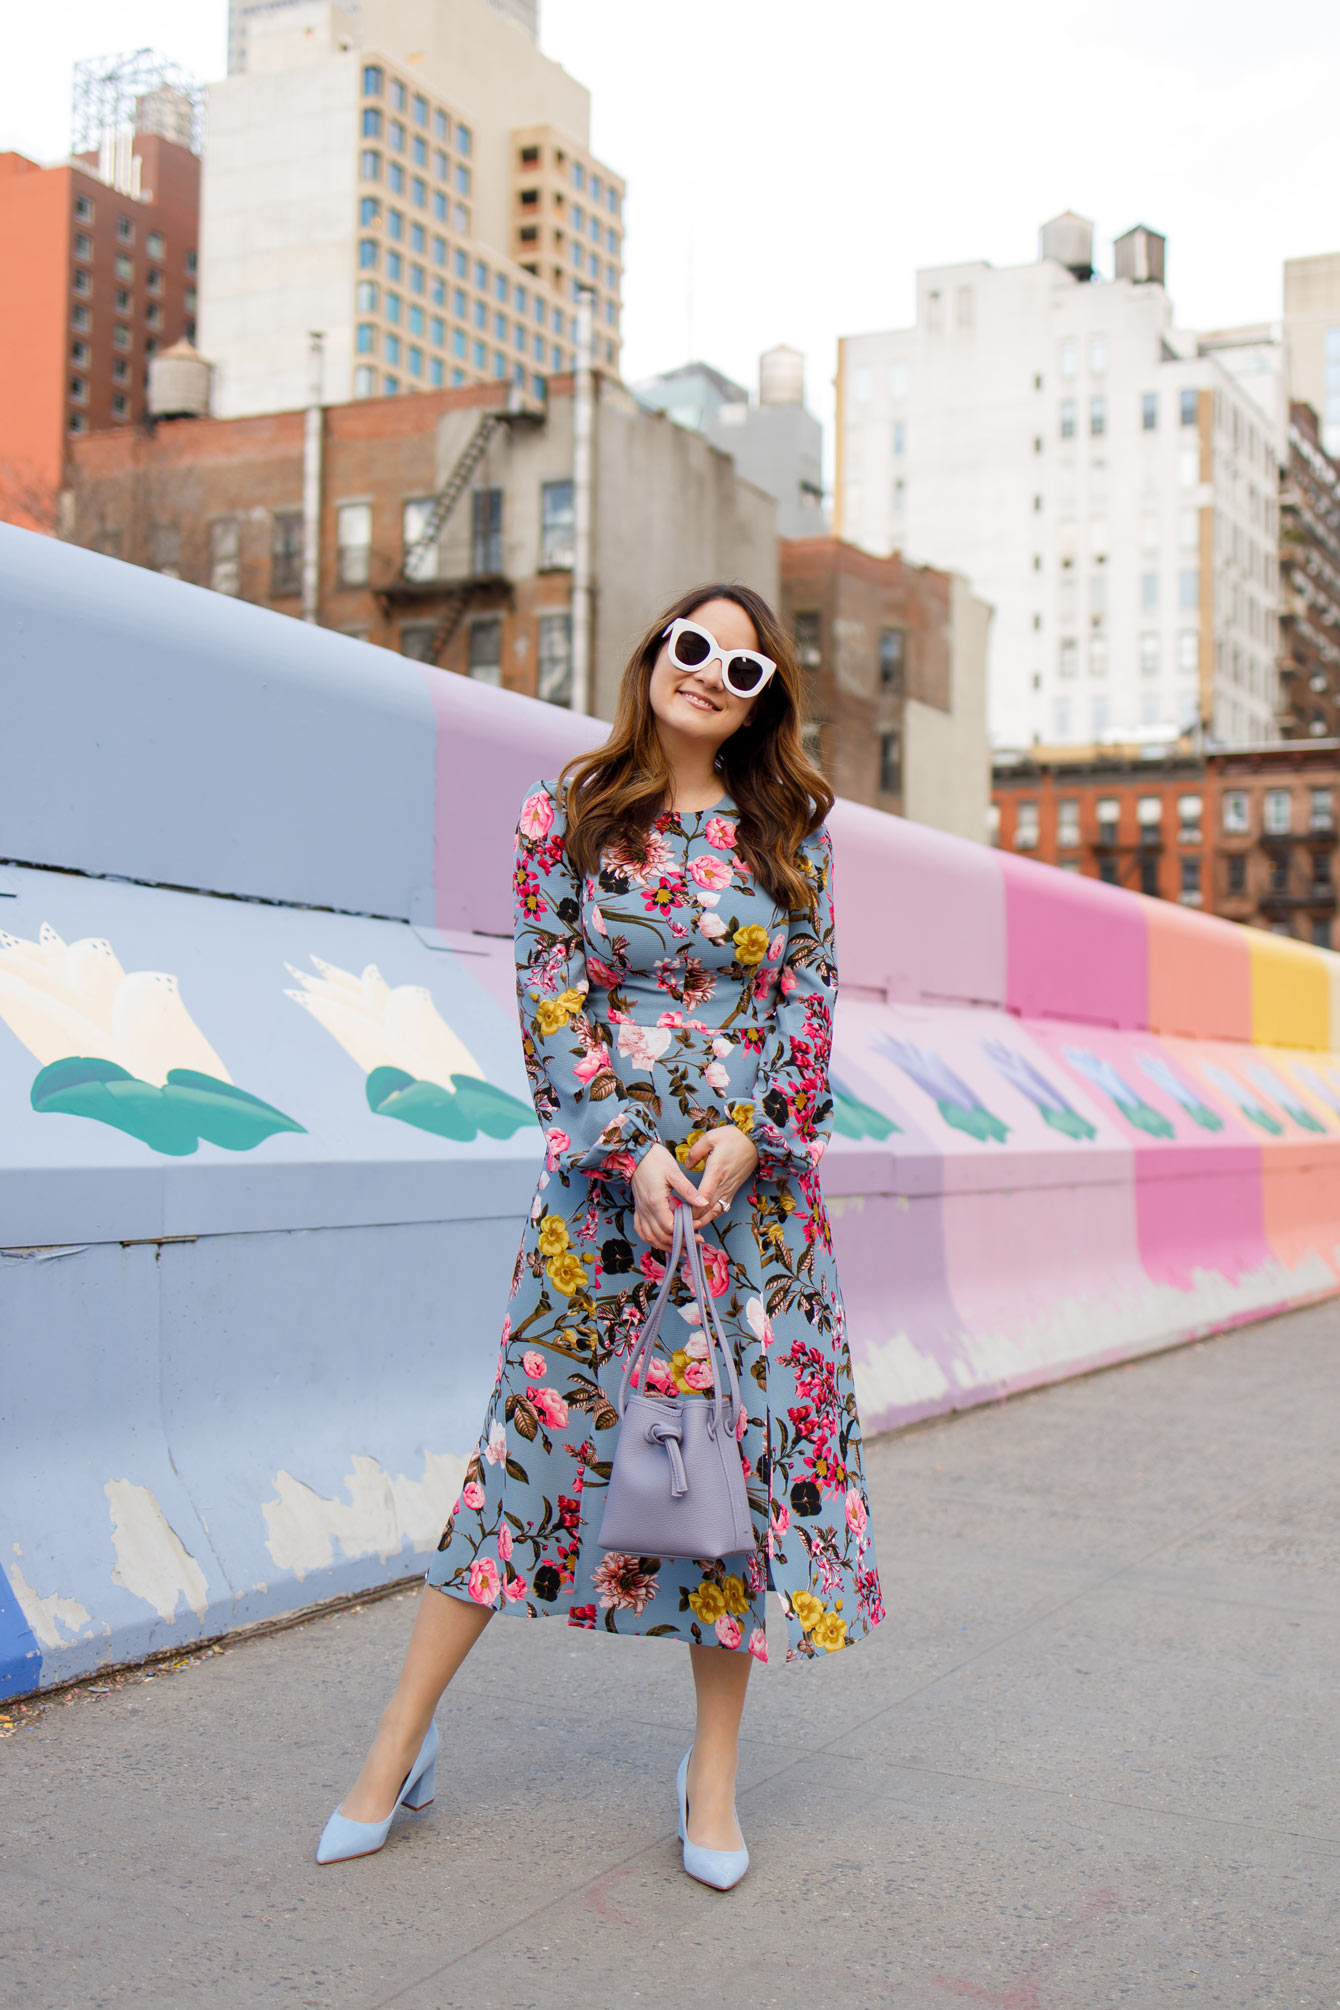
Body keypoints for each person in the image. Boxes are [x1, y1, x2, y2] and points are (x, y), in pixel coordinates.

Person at [317, 583, 883, 1886]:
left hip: (753, 1219)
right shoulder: (565, 812)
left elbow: (807, 1008)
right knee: (525, 1451)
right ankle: (397, 1743)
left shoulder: (795, 832)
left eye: (742, 666)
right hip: (603, 1202)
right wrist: (628, 1145)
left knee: (727, 1482)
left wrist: (751, 1133)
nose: (709, 674)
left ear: (762, 699)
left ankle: (715, 1779)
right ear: (653, 658)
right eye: (693, 647)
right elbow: (550, 996)